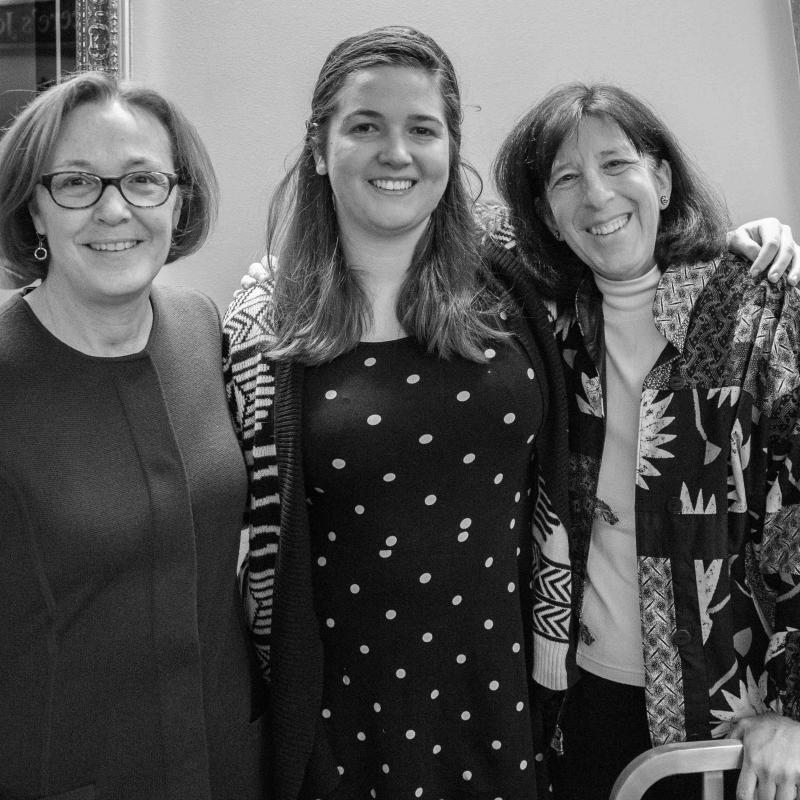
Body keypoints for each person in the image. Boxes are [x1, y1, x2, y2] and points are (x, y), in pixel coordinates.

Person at [224, 25, 577, 800]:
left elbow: (634, 258)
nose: (398, 152)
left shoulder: (516, 281)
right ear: (319, 148)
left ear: (452, 149)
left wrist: (752, 253)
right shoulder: (263, 321)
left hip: (507, 692)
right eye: (365, 126)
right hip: (343, 711)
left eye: (423, 128)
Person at [489, 82, 800, 800]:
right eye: (566, 178)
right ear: (546, 214)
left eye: (617, 165)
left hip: (727, 713)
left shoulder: (751, 308)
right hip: (577, 696)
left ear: (660, 177)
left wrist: (792, 713)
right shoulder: (548, 325)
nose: (596, 196)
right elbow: (430, 230)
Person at [0, 72, 268, 799]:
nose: (115, 208)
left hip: (225, 765)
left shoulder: (201, 327)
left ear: (178, 200)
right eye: (77, 182)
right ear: (34, 209)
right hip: (64, 773)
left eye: (144, 179)